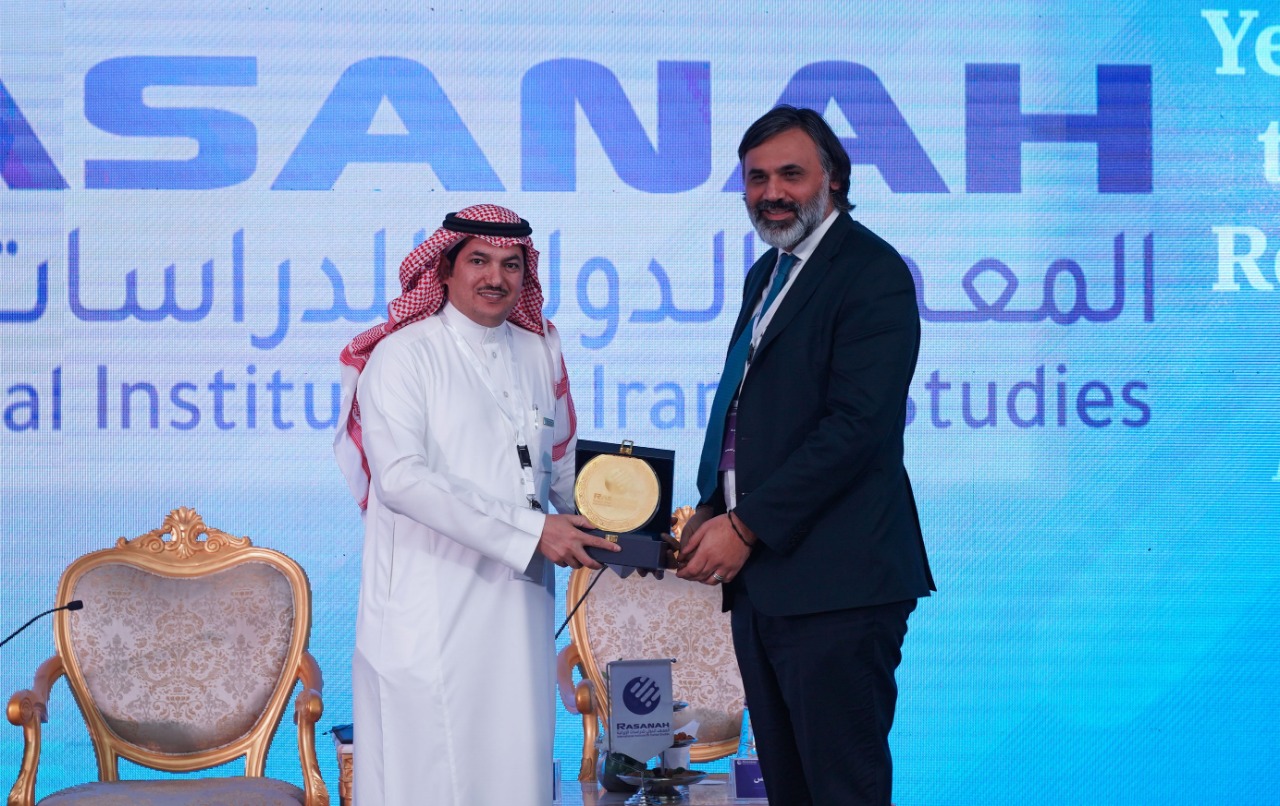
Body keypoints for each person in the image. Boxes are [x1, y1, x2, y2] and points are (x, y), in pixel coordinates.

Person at [677, 106, 935, 806]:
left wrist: (746, 524)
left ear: (834, 179)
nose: (772, 192)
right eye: (756, 177)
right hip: (769, 583)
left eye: (790, 174)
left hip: (839, 583)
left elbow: (856, 427)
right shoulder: (768, 272)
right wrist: (713, 505)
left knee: (840, 789)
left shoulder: (871, 271)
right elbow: (746, 408)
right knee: (790, 789)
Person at [334, 204, 619, 806]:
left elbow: (561, 465)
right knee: (429, 777)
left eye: (511, 265)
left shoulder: (538, 350)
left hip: (519, 610)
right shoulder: (403, 354)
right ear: (444, 269)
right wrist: (533, 531)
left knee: (515, 767)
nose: (496, 277)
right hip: (429, 606)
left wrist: (625, 527)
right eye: (479, 261)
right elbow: (401, 480)